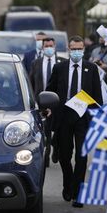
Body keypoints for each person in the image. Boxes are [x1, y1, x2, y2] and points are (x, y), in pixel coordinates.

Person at [46, 35, 102, 208]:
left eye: (79, 49)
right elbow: (51, 90)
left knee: (82, 156)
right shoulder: (59, 68)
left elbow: (97, 96)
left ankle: (78, 193)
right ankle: (68, 184)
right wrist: (48, 107)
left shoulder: (91, 69)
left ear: (83, 50)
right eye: (74, 49)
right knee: (64, 155)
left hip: (83, 117)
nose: (77, 51)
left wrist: (96, 117)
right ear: (69, 49)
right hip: (64, 116)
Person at [29, 37, 65, 167]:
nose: (49, 48)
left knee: (59, 130)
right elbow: (32, 83)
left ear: (55, 46)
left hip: (58, 102)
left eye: (51, 45)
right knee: (46, 129)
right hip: (42, 102)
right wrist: (33, 100)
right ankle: (46, 155)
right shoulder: (36, 63)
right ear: (43, 47)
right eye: (46, 46)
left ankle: (56, 146)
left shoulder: (62, 62)